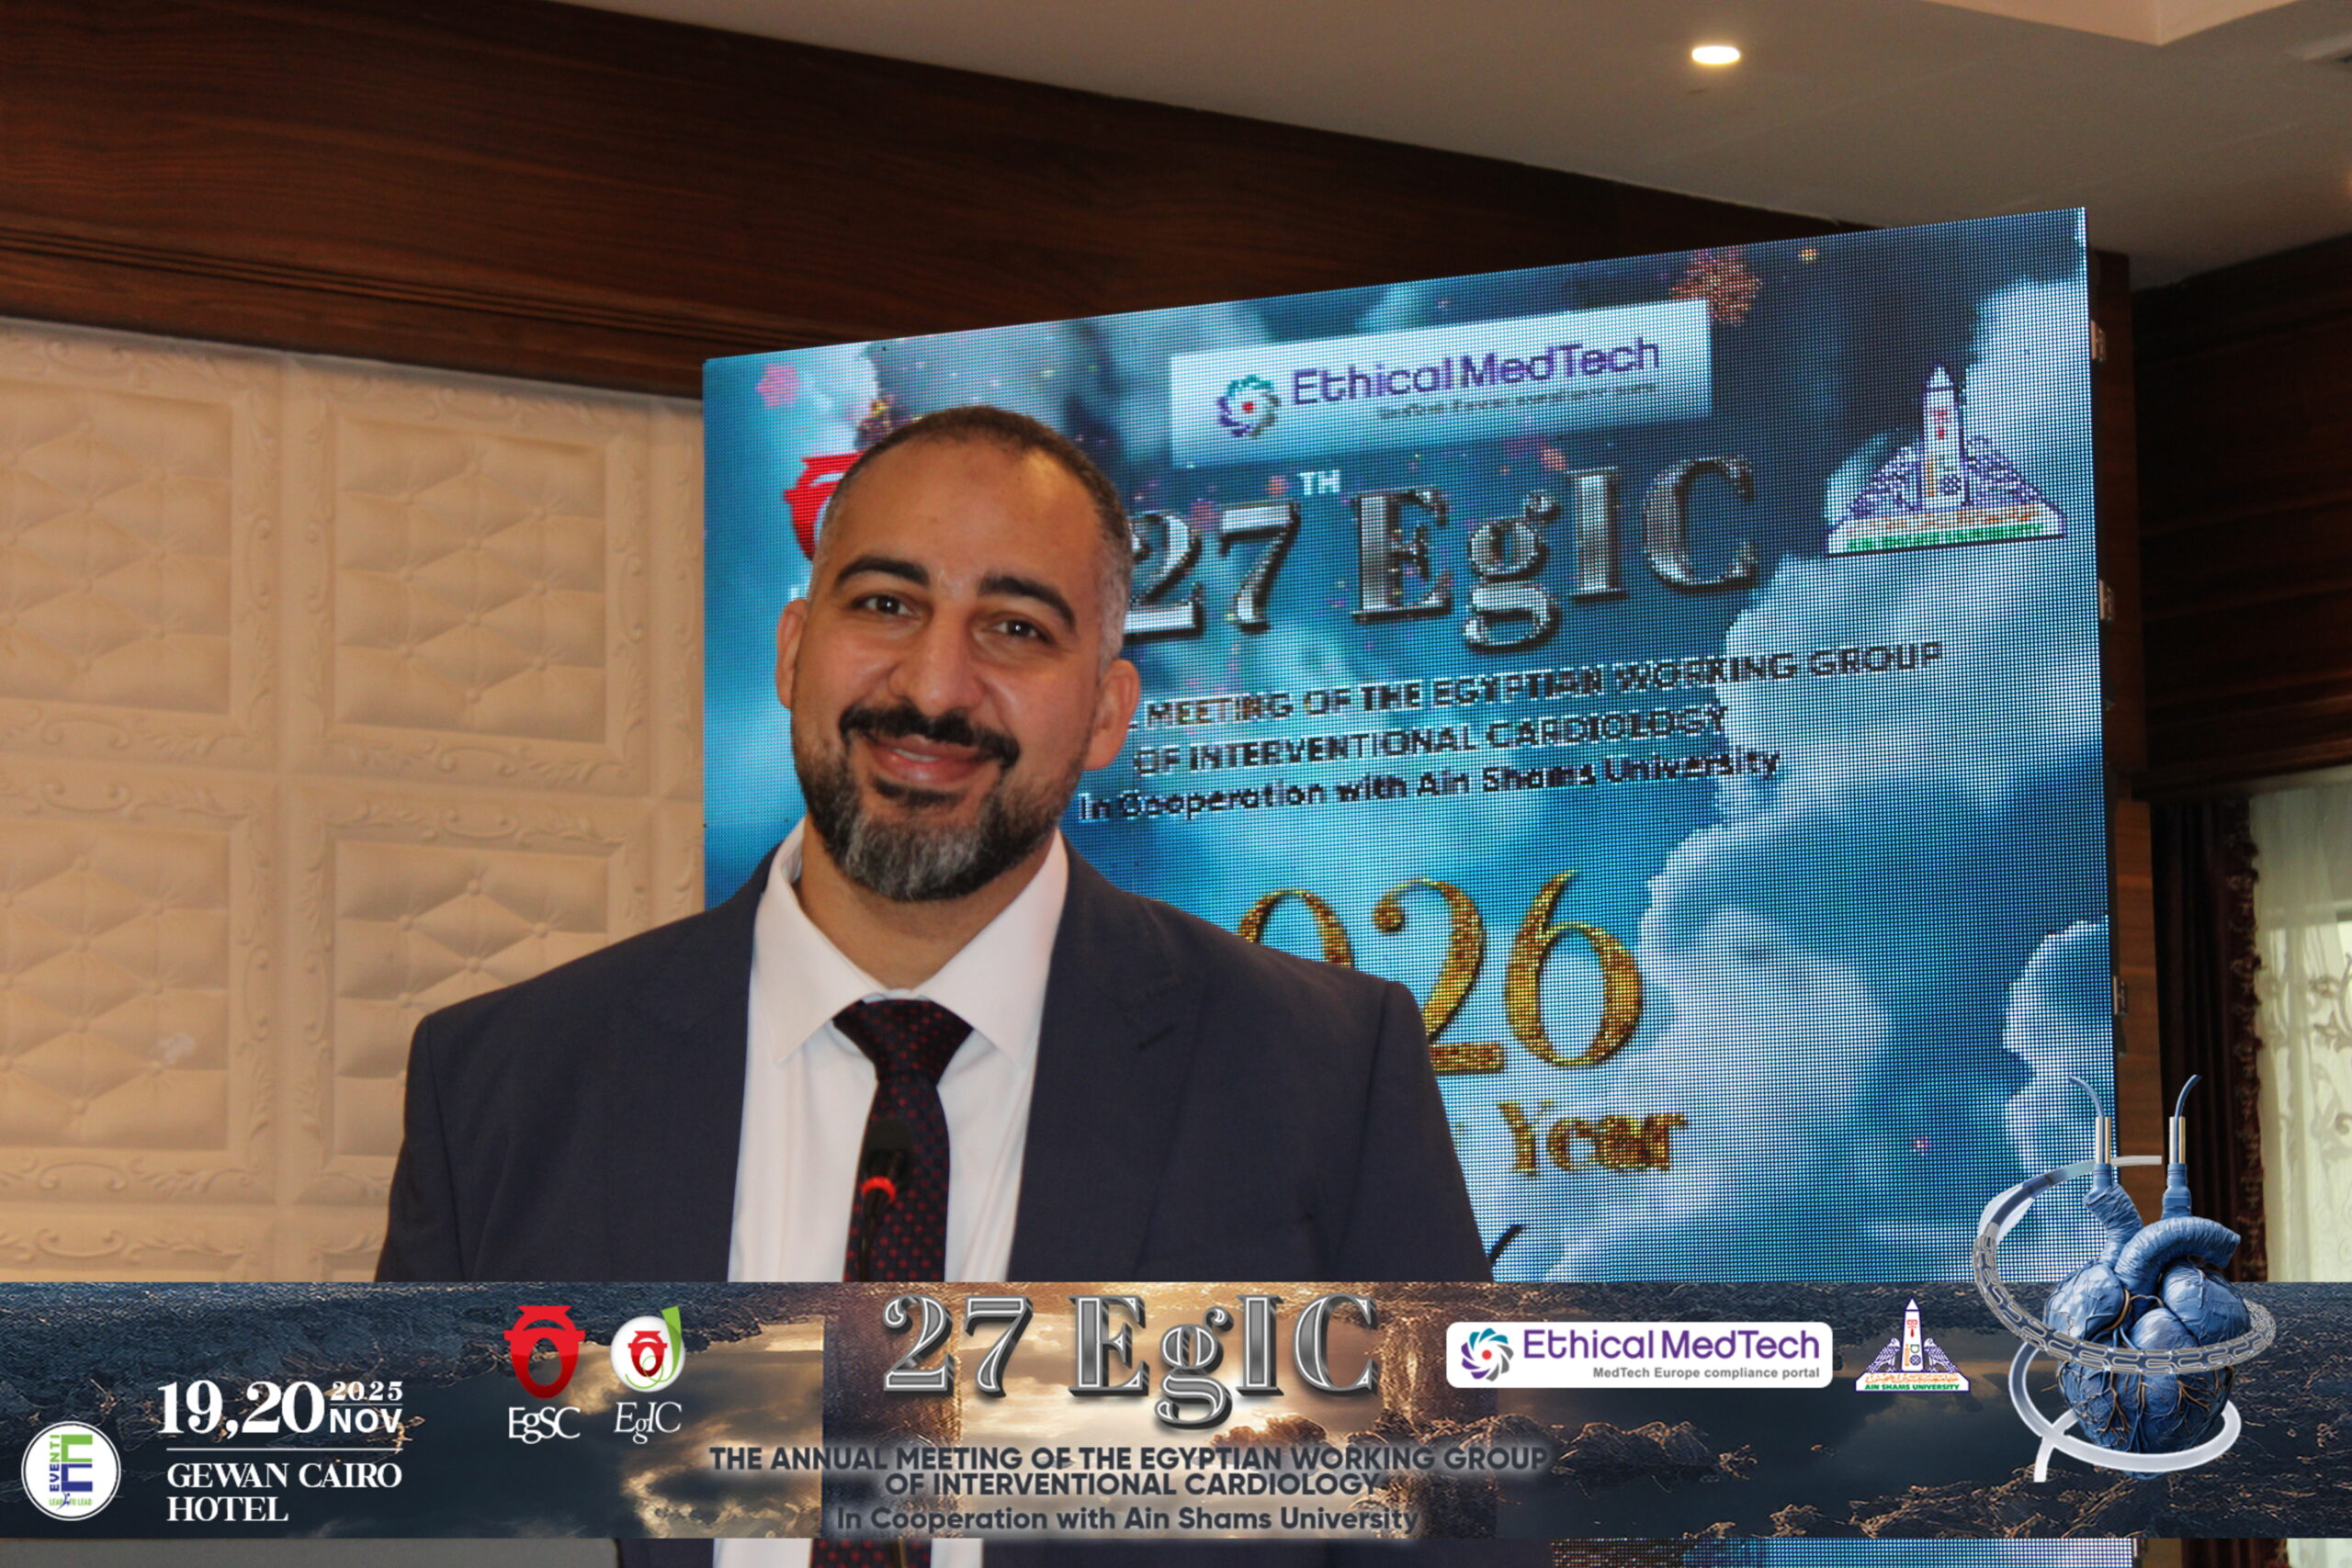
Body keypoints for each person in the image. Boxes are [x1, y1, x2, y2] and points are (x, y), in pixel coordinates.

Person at [377, 405, 1504, 1568]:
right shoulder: (504, 1085)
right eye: (885, 605)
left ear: (1106, 712)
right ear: (793, 650)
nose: (933, 685)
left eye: (1015, 627)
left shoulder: (1320, 1074)